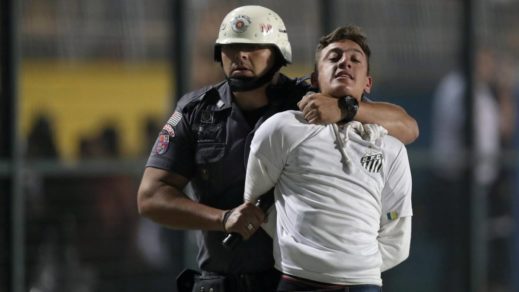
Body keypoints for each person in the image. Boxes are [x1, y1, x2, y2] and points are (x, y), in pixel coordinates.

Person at [137, 5, 417, 292]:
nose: (240, 55)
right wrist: (222, 219)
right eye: (230, 47)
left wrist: (345, 107)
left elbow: (407, 126)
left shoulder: (310, 99)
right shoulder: (195, 110)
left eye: (253, 47)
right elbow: (151, 197)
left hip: (290, 281)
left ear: (278, 54)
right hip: (219, 281)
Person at [243, 25, 412, 291]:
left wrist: (356, 263)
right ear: (314, 79)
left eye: (355, 59)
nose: (345, 62)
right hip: (297, 280)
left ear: (367, 82)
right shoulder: (282, 128)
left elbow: (397, 230)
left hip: (364, 283)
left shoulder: (390, 147)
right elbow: (255, 203)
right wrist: (305, 255)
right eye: (333, 57)